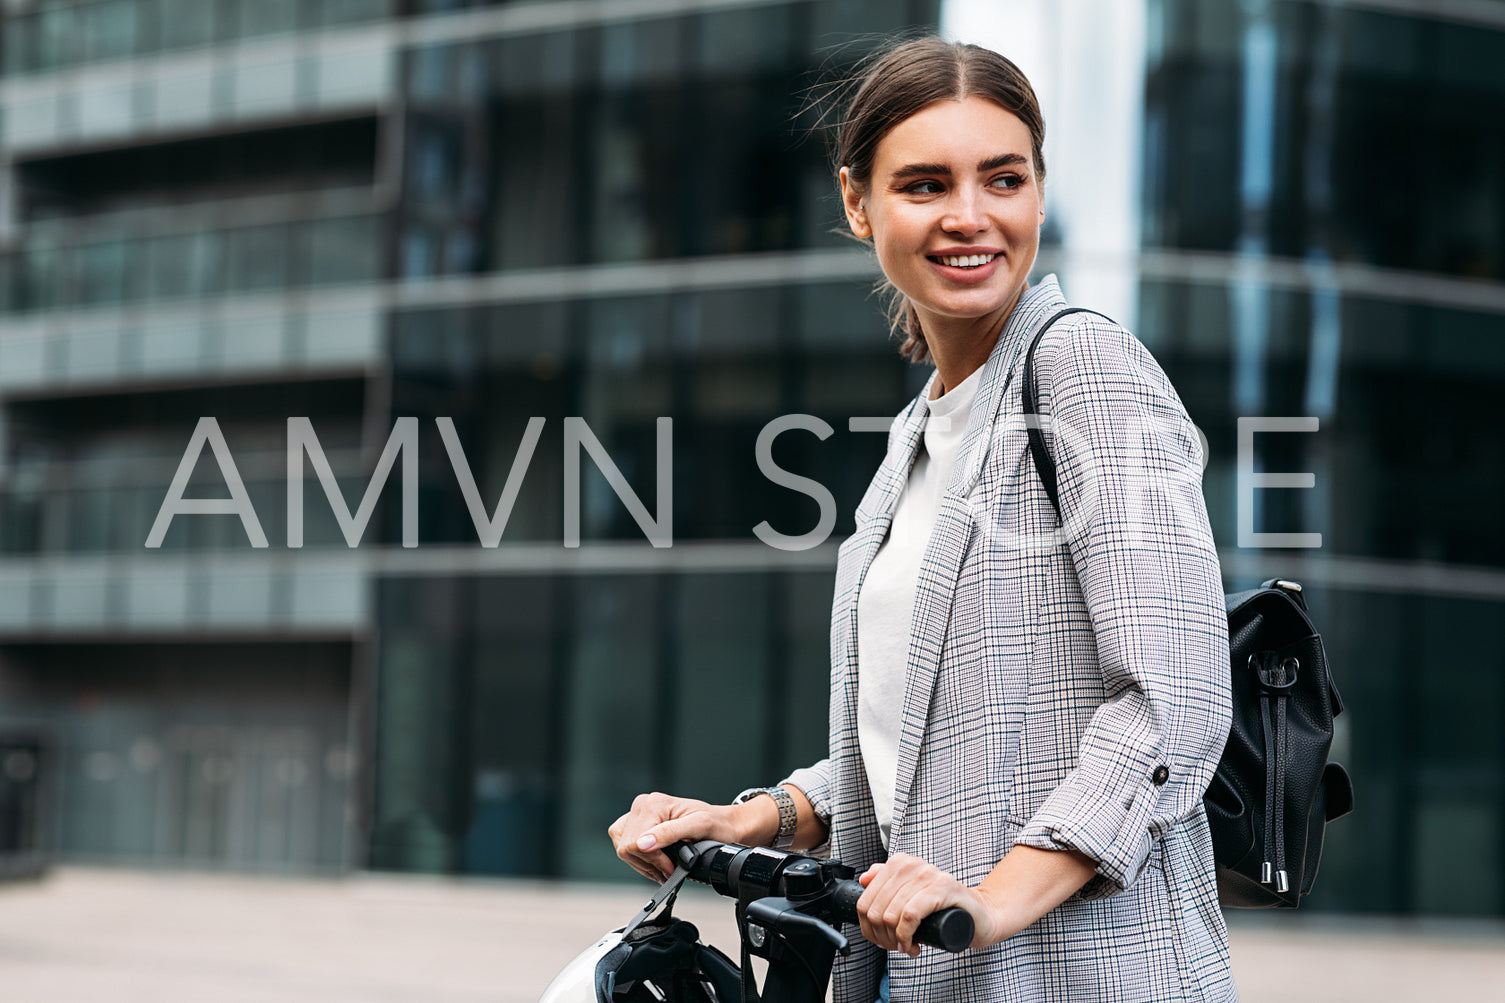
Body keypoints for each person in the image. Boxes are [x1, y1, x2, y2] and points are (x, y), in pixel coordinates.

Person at [609, 36, 1236, 1002]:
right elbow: (926, 746)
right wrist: (758, 817)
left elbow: (1174, 703)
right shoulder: (918, 434)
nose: (969, 216)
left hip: (1078, 975)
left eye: (1001, 178)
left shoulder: (1085, 373)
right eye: (925, 185)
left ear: (1037, 191)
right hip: (919, 978)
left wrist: (990, 902)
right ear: (858, 203)